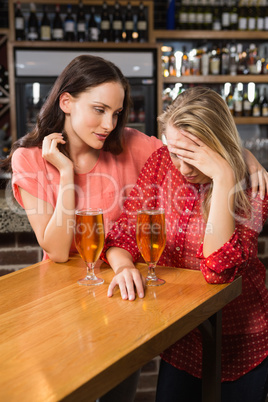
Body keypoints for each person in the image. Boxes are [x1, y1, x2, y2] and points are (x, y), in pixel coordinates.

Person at [0, 56, 266, 401]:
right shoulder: (31, 159)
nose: (109, 123)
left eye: (116, 112)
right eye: (99, 109)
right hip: (71, 296)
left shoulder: (136, 145)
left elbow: (192, 140)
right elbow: (59, 250)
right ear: (66, 102)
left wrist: (240, 156)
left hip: (128, 302)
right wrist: (65, 174)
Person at [101, 87, 268, 402]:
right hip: (181, 337)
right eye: (176, 152)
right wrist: (123, 266)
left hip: (242, 340)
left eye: (194, 154)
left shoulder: (253, 184)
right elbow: (122, 235)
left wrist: (224, 175)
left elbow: (219, 271)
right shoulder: (162, 163)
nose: (183, 166)